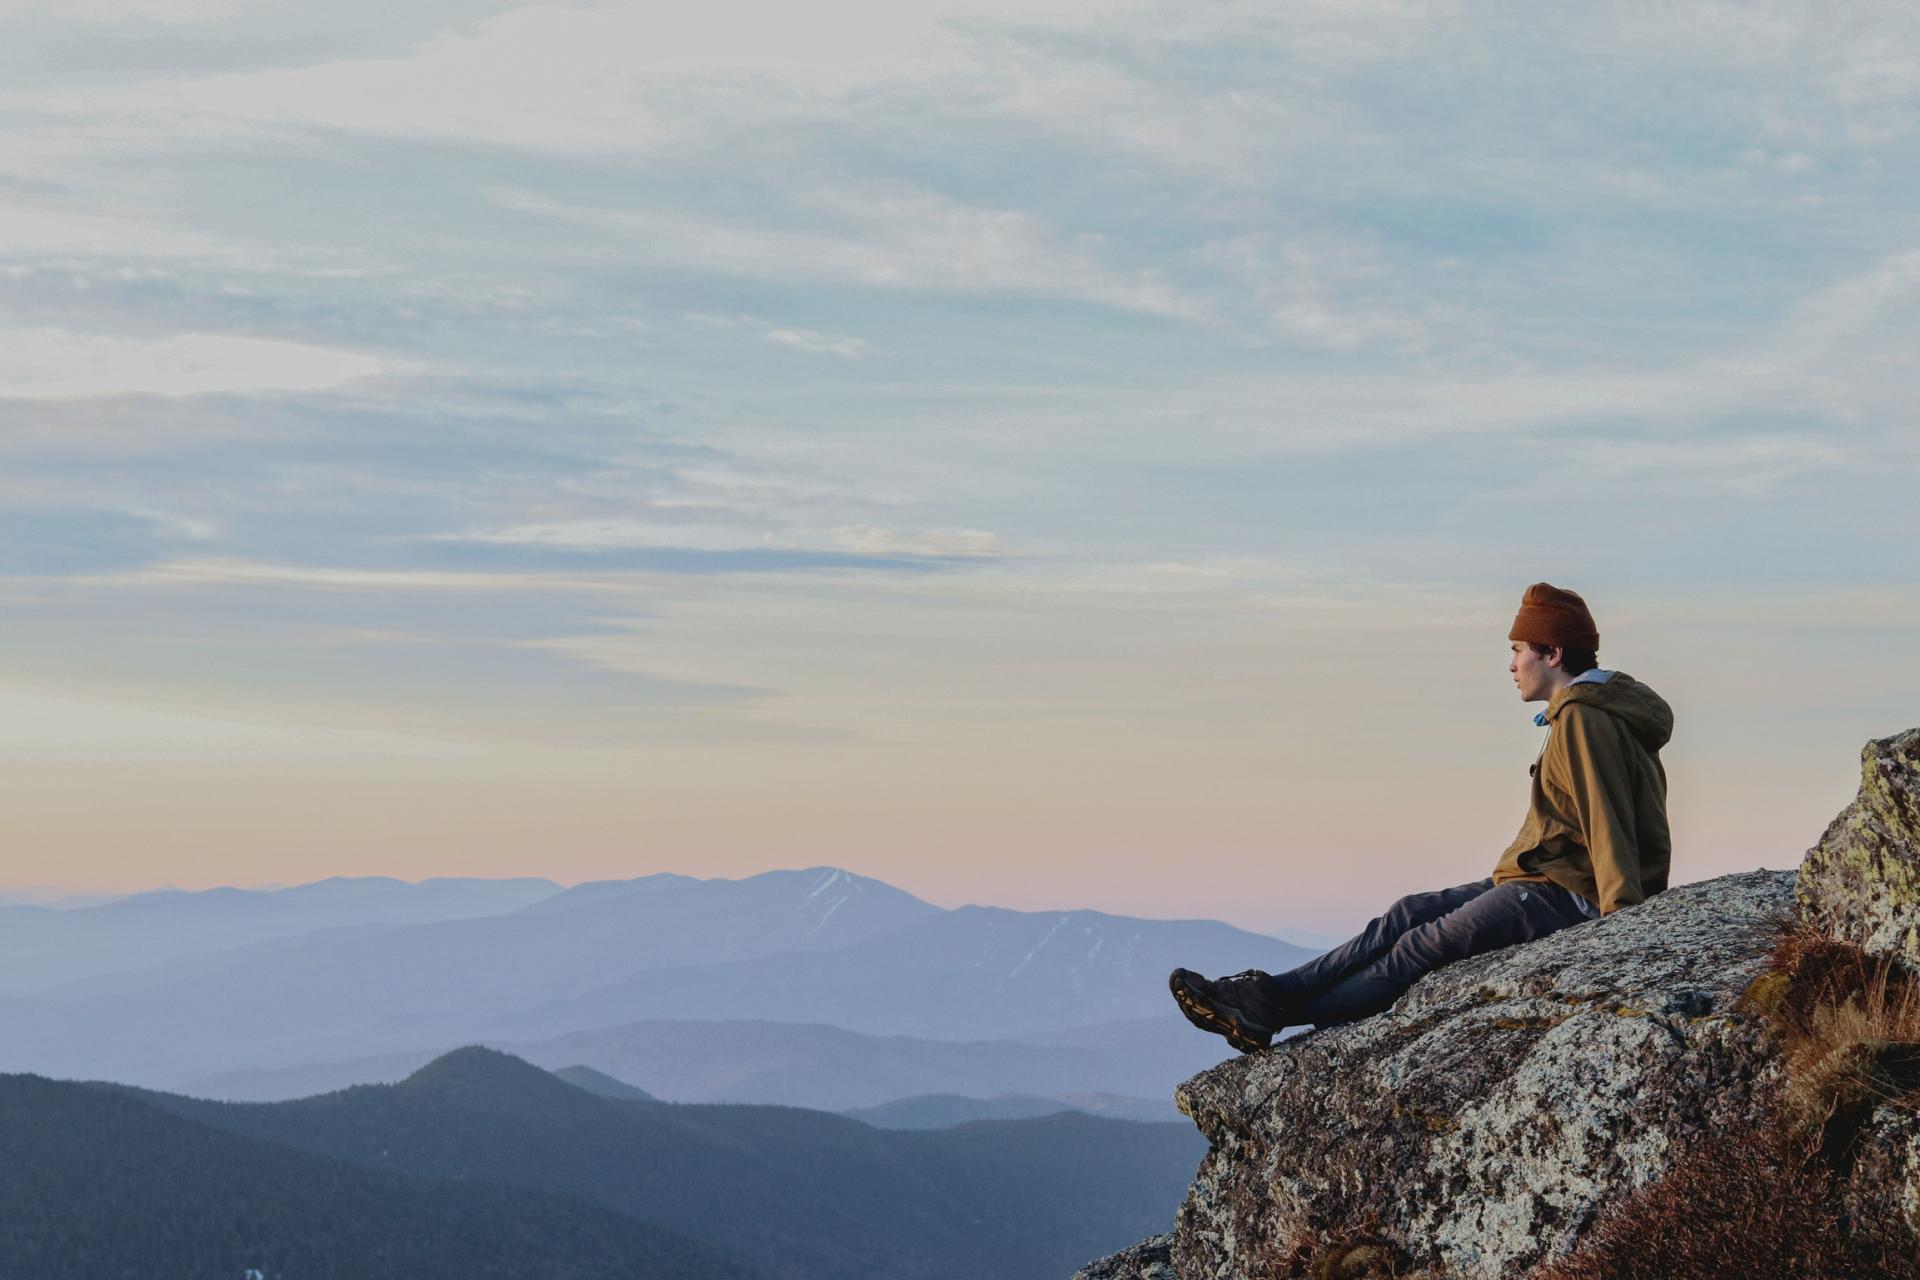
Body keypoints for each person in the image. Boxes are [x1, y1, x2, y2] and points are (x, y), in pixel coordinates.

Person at [1169, 582, 1673, 1053]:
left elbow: (1605, 819)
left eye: (1518, 650)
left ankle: (1273, 1014)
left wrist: (1622, 924)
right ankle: (1267, 992)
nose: (1512, 665)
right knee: (1407, 912)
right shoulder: (1585, 712)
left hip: (1568, 892)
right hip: (1541, 876)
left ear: (1554, 653)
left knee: (1420, 947)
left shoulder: (1584, 719)